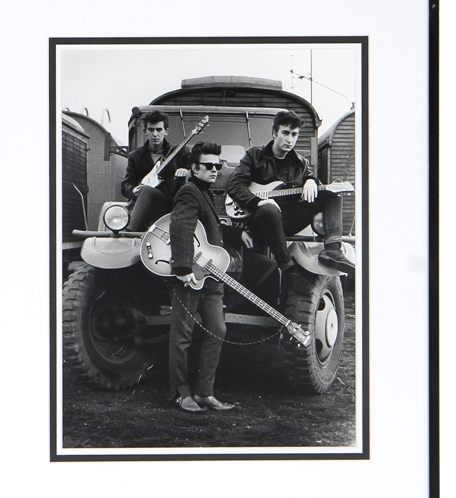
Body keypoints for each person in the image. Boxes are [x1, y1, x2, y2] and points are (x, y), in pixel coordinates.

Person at [227, 110, 355, 276]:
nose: (290, 139)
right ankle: (286, 265)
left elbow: (309, 176)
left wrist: (311, 181)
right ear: (275, 133)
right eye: (285, 133)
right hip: (258, 220)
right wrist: (258, 202)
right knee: (269, 209)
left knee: (331, 194)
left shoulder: (300, 164)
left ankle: (332, 250)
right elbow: (235, 185)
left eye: (294, 134)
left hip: (287, 221)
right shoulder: (254, 155)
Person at [168, 141, 240, 413]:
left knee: (218, 330)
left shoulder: (206, 193)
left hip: (211, 275)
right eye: (208, 166)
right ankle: (181, 393)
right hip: (191, 275)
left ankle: (204, 392)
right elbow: (181, 226)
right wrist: (184, 269)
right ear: (194, 168)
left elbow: (207, 232)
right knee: (182, 335)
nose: (215, 169)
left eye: (217, 165)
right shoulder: (189, 191)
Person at [121, 110, 190, 231]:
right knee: (146, 190)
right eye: (151, 130)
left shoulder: (180, 152)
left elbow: (193, 172)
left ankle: (130, 231)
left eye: (159, 130)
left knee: (147, 190)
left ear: (166, 132)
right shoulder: (135, 156)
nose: (155, 134)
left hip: (170, 206)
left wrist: (186, 171)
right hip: (144, 208)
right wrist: (133, 190)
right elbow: (125, 185)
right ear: (145, 132)